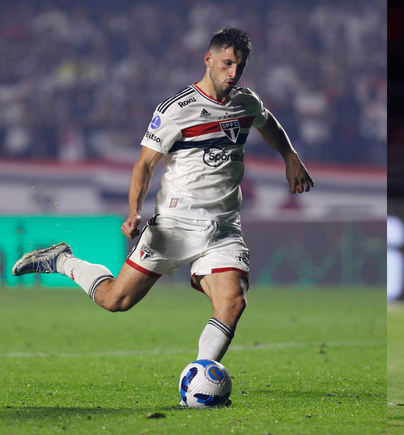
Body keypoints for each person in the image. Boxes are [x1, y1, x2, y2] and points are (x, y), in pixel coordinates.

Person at [12, 27, 314, 401]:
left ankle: (201, 381)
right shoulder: (176, 111)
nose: (233, 72)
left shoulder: (246, 103)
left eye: (240, 65)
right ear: (209, 60)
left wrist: (290, 156)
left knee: (233, 301)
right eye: (227, 63)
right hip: (174, 225)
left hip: (223, 229)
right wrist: (134, 212)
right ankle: (62, 260)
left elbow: (269, 124)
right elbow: (144, 166)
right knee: (115, 301)